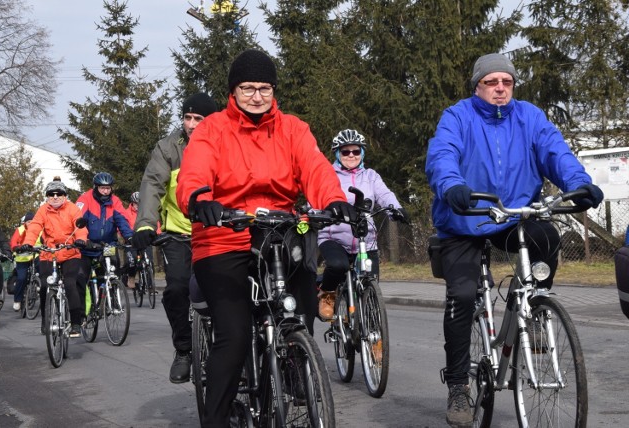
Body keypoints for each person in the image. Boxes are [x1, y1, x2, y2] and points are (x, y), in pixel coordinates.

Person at [175, 48, 356, 427]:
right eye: (247, 88)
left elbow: (315, 167)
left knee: (298, 313)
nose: (257, 96)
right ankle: (217, 419)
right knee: (235, 333)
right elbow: (195, 171)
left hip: (279, 232)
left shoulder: (293, 128)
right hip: (225, 236)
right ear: (233, 91)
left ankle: (294, 364)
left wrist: (335, 200)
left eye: (265, 88)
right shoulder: (211, 130)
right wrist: (199, 200)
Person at [425, 52, 604, 427]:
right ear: (478, 86)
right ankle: (458, 385)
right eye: (492, 82)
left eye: (506, 82)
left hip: (513, 213)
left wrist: (578, 184)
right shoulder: (458, 117)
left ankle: (533, 311)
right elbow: (443, 155)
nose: (500, 88)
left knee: (546, 237)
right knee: (460, 296)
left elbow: (555, 152)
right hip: (466, 218)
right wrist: (452, 185)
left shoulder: (529, 117)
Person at [131, 91, 219, 384]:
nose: (192, 124)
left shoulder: (223, 144)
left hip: (217, 232)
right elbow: (152, 184)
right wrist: (145, 224)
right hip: (179, 234)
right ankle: (183, 351)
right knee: (176, 289)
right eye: (187, 117)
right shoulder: (168, 147)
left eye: (198, 118)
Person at [316, 129, 410, 321]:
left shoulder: (370, 176)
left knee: (371, 289)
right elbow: (316, 196)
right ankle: (327, 294)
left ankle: (375, 336)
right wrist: (316, 214)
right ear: (337, 153)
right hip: (335, 237)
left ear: (362, 154)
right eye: (345, 152)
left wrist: (397, 209)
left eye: (356, 151)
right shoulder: (327, 175)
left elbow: (384, 195)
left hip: (365, 240)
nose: (351, 155)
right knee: (337, 265)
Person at [18, 181, 88, 336]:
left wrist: (81, 240)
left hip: (70, 252)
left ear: (65, 196)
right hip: (49, 253)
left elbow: (80, 228)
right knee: (44, 286)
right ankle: (46, 319)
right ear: (47, 197)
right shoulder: (43, 210)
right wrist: (28, 243)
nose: (55, 197)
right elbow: (35, 226)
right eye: (51, 194)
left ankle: (76, 322)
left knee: (70, 283)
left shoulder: (73, 209)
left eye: (59, 194)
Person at [76, 172, 134, 316]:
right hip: (88, 245)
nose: (106, 191)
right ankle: (82, 311)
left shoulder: (115, 201)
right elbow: (77, 221)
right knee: (82, 277)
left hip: (108, 244)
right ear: (95, 187)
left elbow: (122, 220)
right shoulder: (85, 199)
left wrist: (129, 237)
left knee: (113, 272)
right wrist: (82, 240)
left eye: (108, 188)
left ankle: (113, 299)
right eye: (102, 188)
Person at [9, 211, 40, 311]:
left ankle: (38, 285)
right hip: (22, 258)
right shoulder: (20, 230)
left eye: (32, 221)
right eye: (28, 221)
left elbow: (45, 240)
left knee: (42, 266)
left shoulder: (39, 230)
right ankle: (17, 301)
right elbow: (13, 242)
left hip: (35, 256)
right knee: (21, 278)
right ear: (25, 223)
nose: (30, 223)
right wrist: (16, 248)